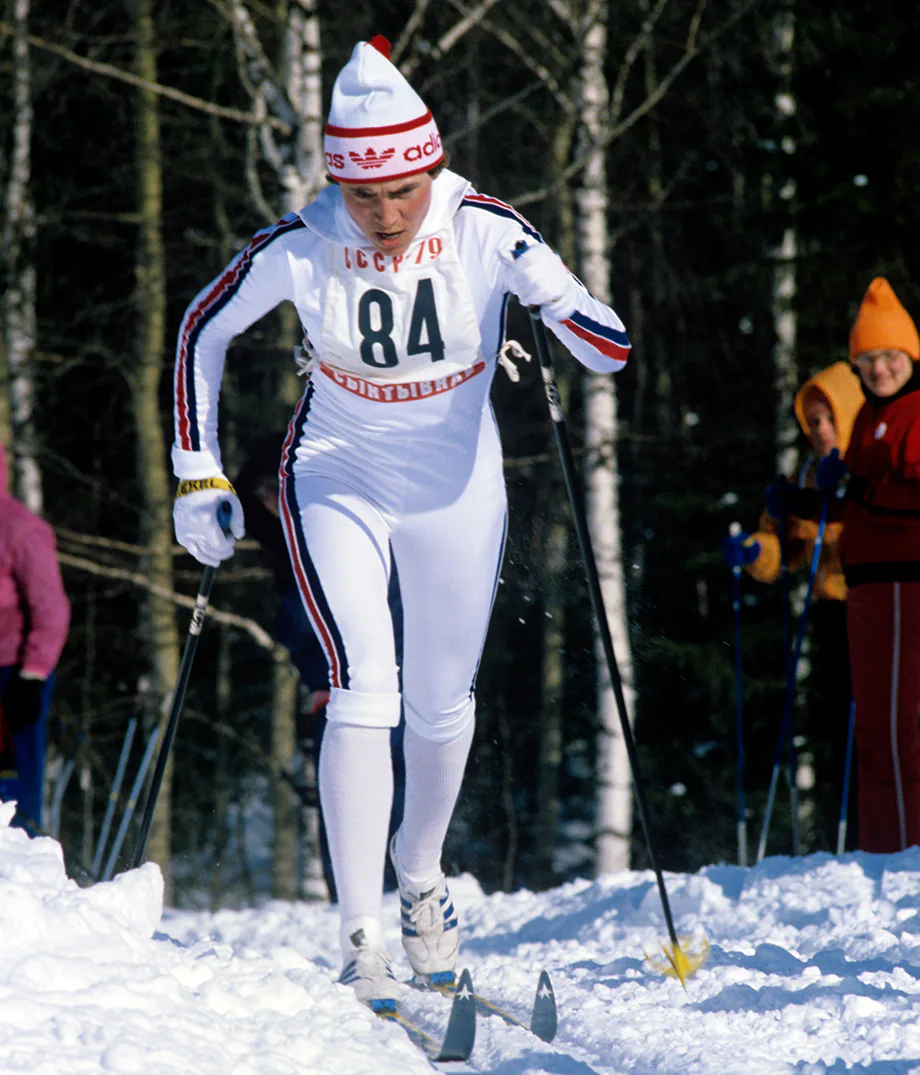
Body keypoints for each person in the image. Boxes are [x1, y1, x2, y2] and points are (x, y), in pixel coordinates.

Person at [171, 35, 630, 1009]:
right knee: (359, 689)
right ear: (337, 180)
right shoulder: (301, 241)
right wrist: (195, 470)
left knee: (439, 702)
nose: (383, 215)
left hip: (456, 488)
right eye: (363, 195)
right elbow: (201, 330)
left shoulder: (482, 226)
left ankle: (419, 882)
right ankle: (361, 931)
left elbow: (606, 346)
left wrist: (560, 309)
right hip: (337, 475)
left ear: (431, 164)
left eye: (403, 191)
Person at [233, 435, 406, 901]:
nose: (271, 500)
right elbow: (299, 628)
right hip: (330, 681)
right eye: (262, 492)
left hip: (382, 673)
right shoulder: (284, 545)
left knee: (388, 773)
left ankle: (395, 885)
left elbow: (376, 609)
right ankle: (348, 894)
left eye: (277, 486)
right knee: (341, 781)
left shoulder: (338, 530)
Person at [722, 362, 864, 848]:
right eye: (814, 421)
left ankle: (876, 834)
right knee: (827, 727)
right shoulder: (807, 472)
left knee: (870, 725)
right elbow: (785, 545)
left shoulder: (867, 461)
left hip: (872, 604)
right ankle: (832, 839)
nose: (822, 429)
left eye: (830, 418)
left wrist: (827, 496)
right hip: (830, 615)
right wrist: (756, 552)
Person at [812, 278, 920, 853]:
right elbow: (859, 500)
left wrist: (852, 486)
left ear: (911, 357)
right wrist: (803, 502)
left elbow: (900, 494)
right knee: (878, 729)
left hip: (905, 583)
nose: (880, 369)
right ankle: (884, 847)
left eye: (891, 357)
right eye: (869, 359)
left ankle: (906, 848)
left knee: (901, 728)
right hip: (871, 587)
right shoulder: (870, 420)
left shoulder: (915, 412)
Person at [0, 440, 71, 834]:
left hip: (12, 677)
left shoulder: (20, 529)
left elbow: (51, 609)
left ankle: (17, 876)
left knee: (10, 794)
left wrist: (33, 673)